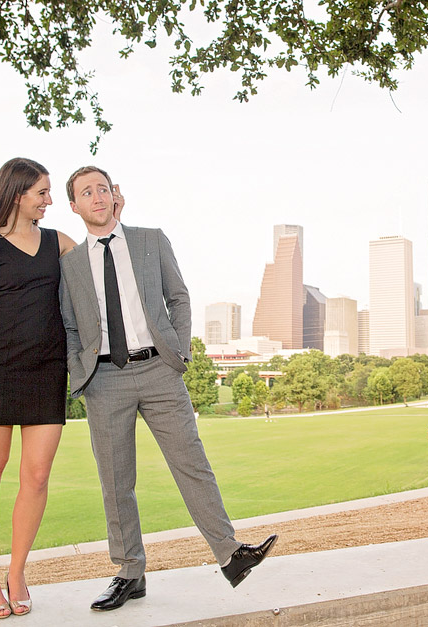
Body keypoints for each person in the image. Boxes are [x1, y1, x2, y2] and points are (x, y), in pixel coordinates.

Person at [59, 165, 277, 612]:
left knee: (192, 463)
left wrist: (178, 352)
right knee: (116, 482)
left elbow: (179, 296)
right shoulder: (70, 264)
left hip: (159, 370)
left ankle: (231, 555)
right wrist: (79, 369)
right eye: (86, 192)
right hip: (104, 380)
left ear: (114, 196)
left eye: (103, 188)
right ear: (75, 206)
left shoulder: (150, 239)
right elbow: (67, 324)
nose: (96, 197)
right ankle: (128, 573)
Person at [0, 158, 105, 619]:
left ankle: (18, 570)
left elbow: (98, 271)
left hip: (48, 368)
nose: (48, 201)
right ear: (17, 193)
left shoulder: (58, 243)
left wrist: (109, 212)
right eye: (42, 193)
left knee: (37, 475)